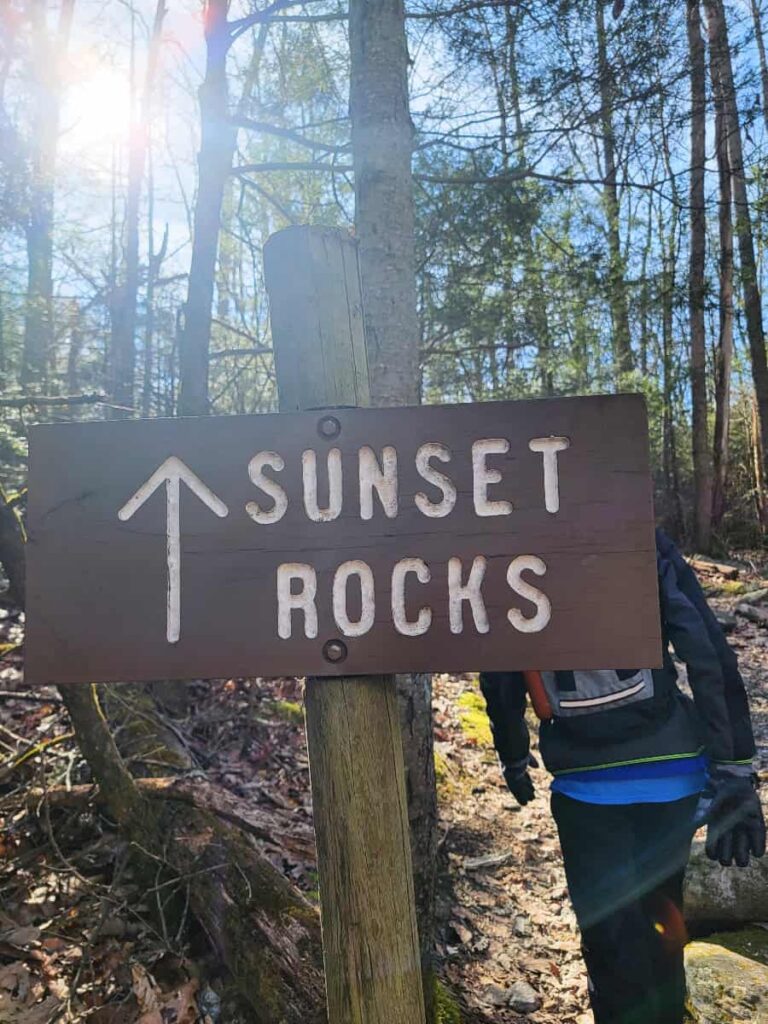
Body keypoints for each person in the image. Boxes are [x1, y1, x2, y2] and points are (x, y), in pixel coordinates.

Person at [480, 528, 765, 1024]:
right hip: (672, 772)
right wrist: (734, 767)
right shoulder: (637, 532)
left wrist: (512, 752)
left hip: (583, 783)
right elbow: (706, 649)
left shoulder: (514, 547)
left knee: (611, 940)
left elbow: (501, 663)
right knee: (661, 924)